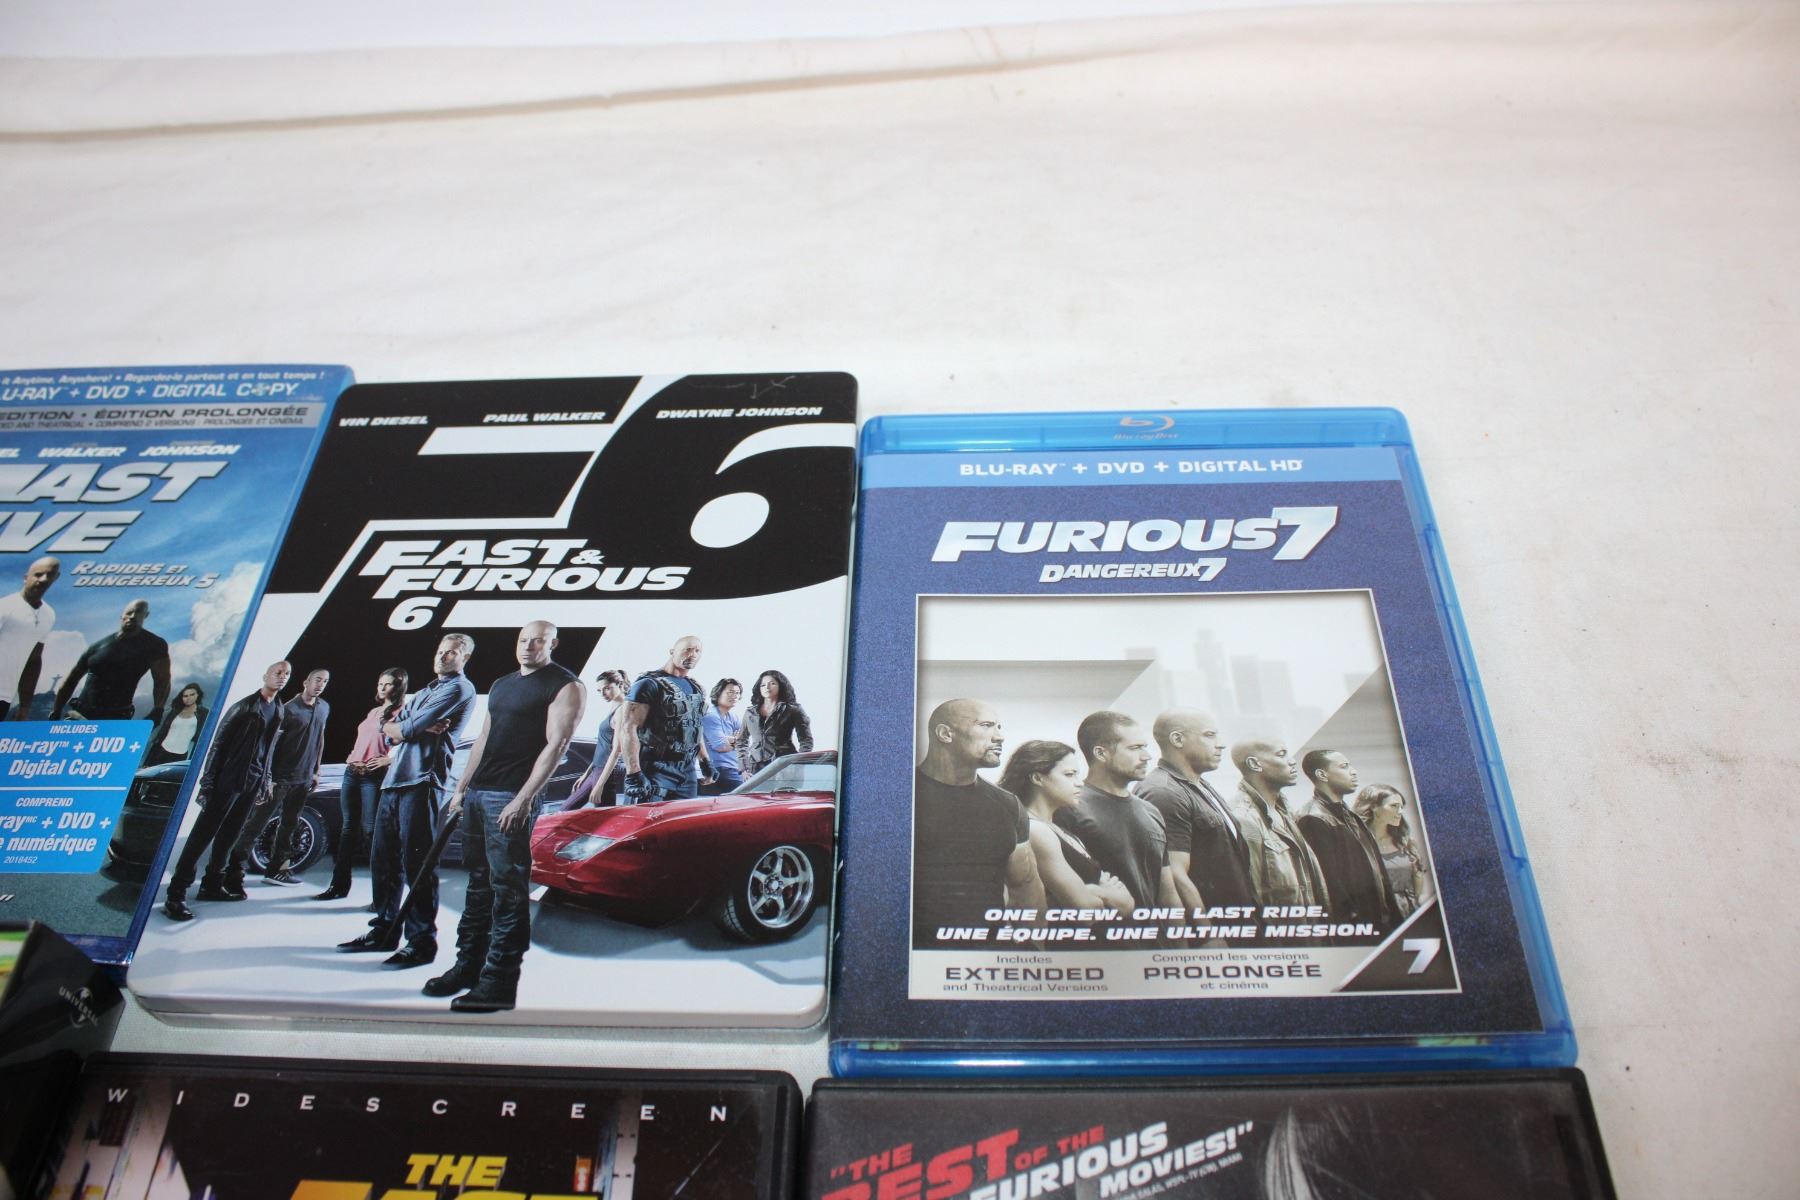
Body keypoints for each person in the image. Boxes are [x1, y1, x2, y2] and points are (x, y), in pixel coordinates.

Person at [426, 620, 585, 1013]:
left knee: (508, 890)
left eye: (538, 641)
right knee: (479, 884)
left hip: (510, 795)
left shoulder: (565, 685)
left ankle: (498, 982)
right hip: (480, 793)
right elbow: (484, 737)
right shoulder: (502, 684)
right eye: (523, 639)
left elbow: (557, 744)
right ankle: (467, 967)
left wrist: (524, 799)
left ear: (553, 644)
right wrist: (463, 787)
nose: (528, 646)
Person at [338, 633, 476, 967]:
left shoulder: (460, 689)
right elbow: (392, 729)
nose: (443, 657)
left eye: (452, 653)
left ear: (465, 658)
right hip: (394, 780)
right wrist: (406, 726)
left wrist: (408, 726)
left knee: (417, 863)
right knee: (383, 860)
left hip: (423, 781)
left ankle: (421, 941)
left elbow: (407, 729)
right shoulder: (425, 691)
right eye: (440, 651)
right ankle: (384, 931)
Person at [161, 661, 290, 921]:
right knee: (201, 836)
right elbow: (217, 745)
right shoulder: (244, 707)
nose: (282, 677)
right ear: (265, 675)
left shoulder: (278, 708)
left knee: (229, 835)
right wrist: (207, 784)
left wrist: (265, 780)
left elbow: (268, 749)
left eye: (287, 674)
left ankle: (211, 885)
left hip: (252, 782)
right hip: (227, 781)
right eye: (278, 672)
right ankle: (175, 895)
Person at [912, 698, 1043, 936]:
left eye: (999, 727)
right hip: (918, 950)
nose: (1000, 737)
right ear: (945, 734)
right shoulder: (901, 797)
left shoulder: (1008, 804)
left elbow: (1025, 887)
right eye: (986, 725)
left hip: (988, 948)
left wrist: (1034, 948)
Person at [1057, 711, 1180, 912]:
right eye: (1135, 748)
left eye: (1144, 747)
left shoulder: (1151, 812)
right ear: (1101, 753)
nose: (1146, 756)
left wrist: (1179, 932)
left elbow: (1168, 893)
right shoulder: (1068, 808)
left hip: (1154, 931)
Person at [1136, 709, 1257, 912]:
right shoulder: (1164, 792)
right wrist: (1204, 928)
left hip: (1237, 918)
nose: (1221, 744)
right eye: (1210, 735)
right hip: (1213, 924)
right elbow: (1175, 876)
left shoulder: (1199, 784)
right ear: (1177, 739)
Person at [998, 739, 1133, 917]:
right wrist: (1099, 891)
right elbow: (1085, 911)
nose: (1080, 783)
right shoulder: (1037, 831)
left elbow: (1127, 905)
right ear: (1037, 778)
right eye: (1069, 775)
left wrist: (1090, 892)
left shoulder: (1058, 829)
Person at [314, 668, 407, 903]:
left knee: (370, 831)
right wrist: (354, 756)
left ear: (398, 687)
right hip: (351, 773)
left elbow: (410, 744)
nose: (382, 688)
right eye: (380, 683)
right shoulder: (374, 711)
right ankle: (338, 887)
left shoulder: (402, 712)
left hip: (372, 776)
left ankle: (381, 896)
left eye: (388, 684)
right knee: (347, 830)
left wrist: (388, 760)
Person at [1293, 750, 1398, 932]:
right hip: (1357, 928)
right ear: (1322, 774)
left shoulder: (1349, 814)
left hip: (1378, 920)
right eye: (1344, 766)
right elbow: (1330, 884)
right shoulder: (1312, 818)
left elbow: (1376, 870)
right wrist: (1353, 928)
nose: (1354, 771)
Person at [246, 668, 332, 887]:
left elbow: (320, 739)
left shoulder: (324, 707)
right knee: (257, 824)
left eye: (325, 681)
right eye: (317, 680)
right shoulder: (288, 710)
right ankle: (232, 871)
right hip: (280, 779)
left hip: (304, 779)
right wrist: (269, 778)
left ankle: (277, 870)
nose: (320, 685)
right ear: (305, 682)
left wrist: (316, 771)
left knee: (290, 825)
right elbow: (271, 747)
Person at [1225, 737, 1328, 909]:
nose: (1292, 761)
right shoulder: (1244, 818)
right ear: (1254, 764)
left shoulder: (1284, 810)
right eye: (1281, 754)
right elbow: (1252, 897)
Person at [616, 635, 713, 803]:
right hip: (654, 768)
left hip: (686, 771)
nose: (693, 655)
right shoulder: (647, 684)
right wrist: (633, 773)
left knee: (682, 818)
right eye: (687, 649)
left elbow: (694, 727)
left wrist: (705, 761)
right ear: (672, 651)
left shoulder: (696, 688)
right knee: (645, 818)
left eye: (697, 651)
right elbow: (628, 729)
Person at [52, 598, 170, 722]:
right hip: (79, 715)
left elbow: (162, 679)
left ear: (146, 615)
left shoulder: (154, 644)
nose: (132, 616)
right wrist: (56, 711)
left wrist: (158, 709)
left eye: (138, 612)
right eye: (129, 612)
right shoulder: (97, 646)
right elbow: (71, 680)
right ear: (121, 616)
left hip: (115, 719)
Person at [1352, 784, 1432, 919]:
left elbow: (1419, 889)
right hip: (1368, 915)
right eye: (1394, 806)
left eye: (1401, 807)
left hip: (1404, 912)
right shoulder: (1353, 842)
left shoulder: (1407, 844)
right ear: (1374, 807)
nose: (1400, 811)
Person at [559, 669, 630, 810]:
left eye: (607, 688)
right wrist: (586, 774)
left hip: (605, 774)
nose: (603, 694)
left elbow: (616, 751)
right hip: (596, 771)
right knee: (564, 811)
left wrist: (600, 785)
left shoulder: (622, 710)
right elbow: (603, 747)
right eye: (599, 691)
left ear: (620, 685)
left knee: (604, 816)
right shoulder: (614, 706)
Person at [0, 556, 58, 721]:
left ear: (56, 578)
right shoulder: (5, 607)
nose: (43, 579)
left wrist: (25, 706)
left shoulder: (48, 614)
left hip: (4, 698)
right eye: (38, 574)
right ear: (26, 577)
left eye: (49, 575)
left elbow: (33, 660)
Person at [742, 669, 813, 774]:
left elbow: (806, 740)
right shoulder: (750, 712)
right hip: (755, 768)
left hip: (784, 766)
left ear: (781, 686)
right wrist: (744, 769)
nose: (767, 687)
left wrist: (798, 765)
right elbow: (741, 741)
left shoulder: (793, 709)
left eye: (772, 683)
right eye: (763, 685)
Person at [145, 682, 207, 766]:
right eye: (185, 696)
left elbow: (200, 738)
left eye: (192, 694)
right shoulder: (175, 711)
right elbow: (161, 734)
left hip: (180, 756)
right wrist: (148, 761)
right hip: (161, 752)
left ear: (197, 695)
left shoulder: (203, 713)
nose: (189, 698)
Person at [701, 677, 745, 794]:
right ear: (718, 693)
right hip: (719, 769)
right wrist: (735, 740)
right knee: (748, 793)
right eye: (730, 692)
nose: (734, 696)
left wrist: (730, 740)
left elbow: (745, 741)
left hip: (735, 768)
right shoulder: (711, 715)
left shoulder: (733, 717)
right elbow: (720, 746)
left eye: (737, 693)